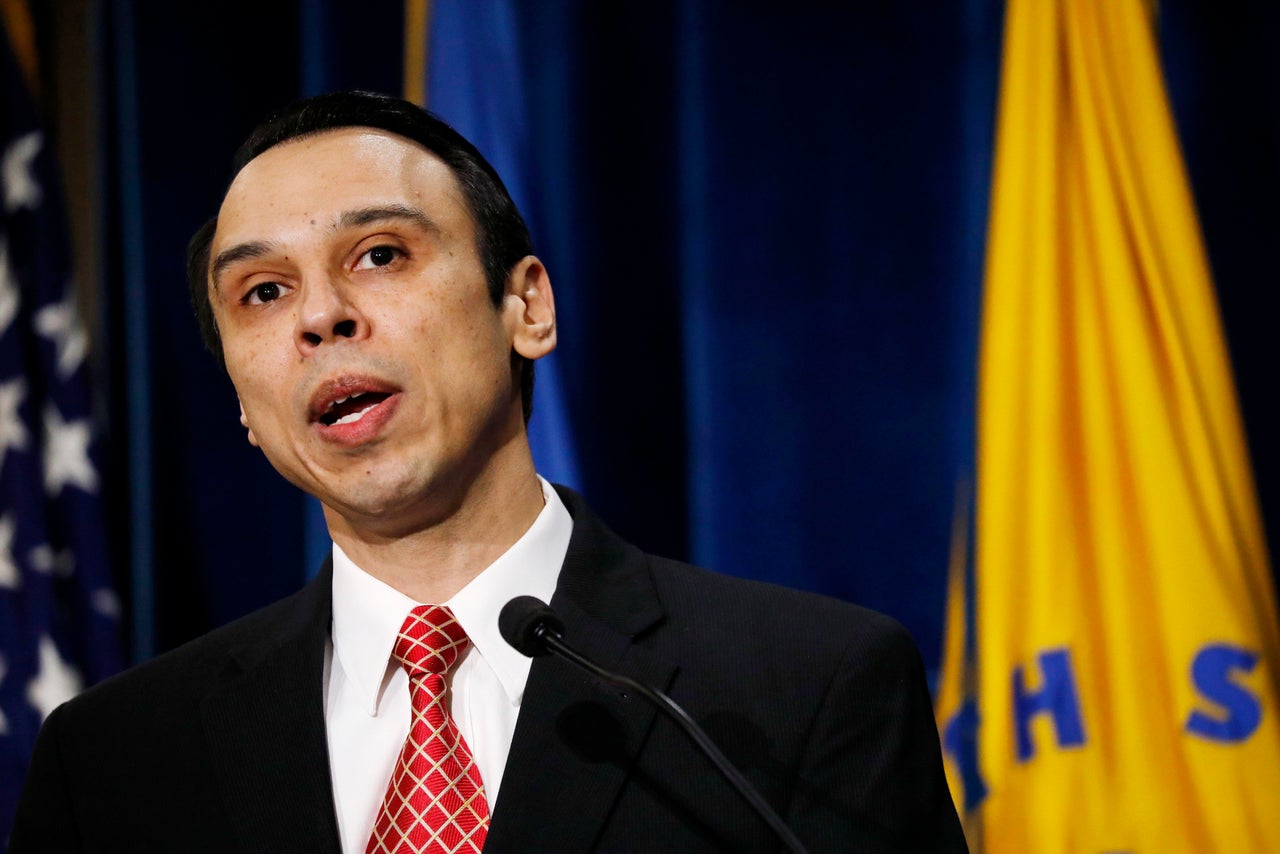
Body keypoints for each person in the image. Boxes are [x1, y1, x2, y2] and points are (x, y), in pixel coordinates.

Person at [10, 91, 966, 853]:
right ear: (244, 409)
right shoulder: (115, 764)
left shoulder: (799, 692)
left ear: (528, 308)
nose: (320, 318)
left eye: (380, 254)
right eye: (263, 292)